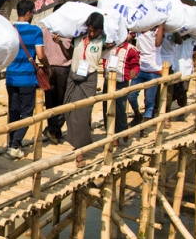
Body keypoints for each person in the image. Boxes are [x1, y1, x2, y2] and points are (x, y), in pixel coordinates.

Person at [5, 0, 51, 158]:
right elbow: (40, 54)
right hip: (26, 78)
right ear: (29, 13)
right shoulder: (35, 31)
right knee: (26, 113)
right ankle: (15, 144)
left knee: (13, 111)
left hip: (11, 77)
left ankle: (11, 143)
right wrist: (47, 66)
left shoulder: (9, 29)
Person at [61, 12, 106, 167]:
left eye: (95, 31)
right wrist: (60, 43)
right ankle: (80, 138)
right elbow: (69, 55)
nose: (92, 33)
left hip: (89, 79)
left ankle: (80, 151)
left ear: (101, 29)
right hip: (73, 77)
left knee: (82, 112)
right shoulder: (78, 38)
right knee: (69, 110)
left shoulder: (103, 41)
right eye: (90, 30)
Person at [104, 36, 140, 145]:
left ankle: (122, 130)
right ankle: (111, 135)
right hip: (108, 80)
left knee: (120, 108)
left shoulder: (131, 49)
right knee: (107, 107)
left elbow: (136, 65)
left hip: (121, 82)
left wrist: (134, 71)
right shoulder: (108, 47)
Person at [128, 23, 165, 125]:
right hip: (139, 68)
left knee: (149, 100)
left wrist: (161, 24)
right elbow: (126, 39)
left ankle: (145, 126)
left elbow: (158, 44)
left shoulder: (157, 31)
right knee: (131, 95)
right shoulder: (138, 29)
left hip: (153, 69)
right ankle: (137, 115)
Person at [41, 17, 71, 144]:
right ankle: (52, 128)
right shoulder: (68, 30)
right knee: (64, 102)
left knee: (50, 102)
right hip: (63, 68)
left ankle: (55, 132)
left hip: (49, 67)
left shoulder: (44, 30)